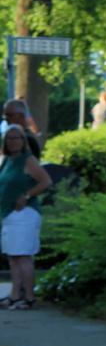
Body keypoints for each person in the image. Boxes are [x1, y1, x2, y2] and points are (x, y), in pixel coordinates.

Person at [0, 124, 52, 310]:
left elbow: (46, 181)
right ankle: (15, 295)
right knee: (13, 257)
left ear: (23, 141)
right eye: (9, 138)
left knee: (23, 257)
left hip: (24, 214)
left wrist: (27, 195)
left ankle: (29, 297)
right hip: (9, 214)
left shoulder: (28, 160)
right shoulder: (7, 160)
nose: (12, 142)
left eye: (16, 138)